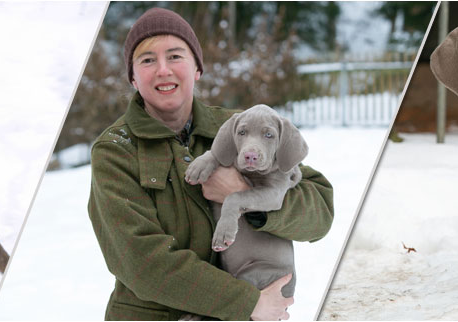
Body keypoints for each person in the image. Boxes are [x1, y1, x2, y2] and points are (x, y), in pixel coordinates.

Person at [87, 7, 334, 321]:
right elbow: (141, 261)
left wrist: (247, 197)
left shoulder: (236, 127)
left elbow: (320, 212)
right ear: (133, 77)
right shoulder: (115, 151)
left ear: (197, 69)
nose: (163, 70)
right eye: (148, 60)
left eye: (175, 56)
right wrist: (248, 303)